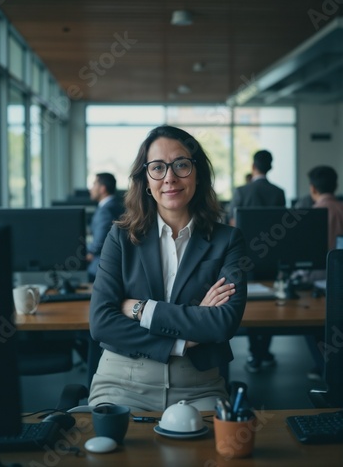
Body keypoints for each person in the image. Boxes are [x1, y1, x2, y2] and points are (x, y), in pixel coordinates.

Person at [88, 125, 247, 412]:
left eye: (182, 165)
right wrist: (184, 339)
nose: (170, 177)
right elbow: (101, 323)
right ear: (145, 180)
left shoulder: (228, 239)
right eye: (158, 168)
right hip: (123, 382)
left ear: (198, 174)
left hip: (200, 386)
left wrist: (140, 309)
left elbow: (223, 323)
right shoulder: (121, 237)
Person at [229, 150, 286, 373]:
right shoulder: (278, 192)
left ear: (253, 166)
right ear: (270, 167)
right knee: (272, 301)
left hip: (246, 254)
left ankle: (255, 352)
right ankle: (264, 350)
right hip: (272, 255)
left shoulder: (242, 191)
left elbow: (232, 222)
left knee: (250, 302)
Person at [304, 166, 343, 380]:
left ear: (313, 188)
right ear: (335, 186)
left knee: (311, 324)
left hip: (317, 282)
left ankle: (324, 368)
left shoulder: (312, 214)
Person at [86, 173, 124, 282]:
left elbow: (100, 242)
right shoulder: (117, 205)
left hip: (101, 266)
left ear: (103, 189)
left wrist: (88, 252)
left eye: (94, 184)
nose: (91, 189)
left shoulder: (105, 211)